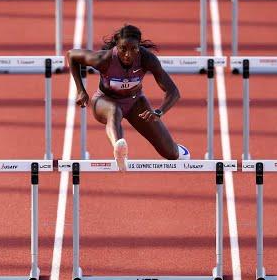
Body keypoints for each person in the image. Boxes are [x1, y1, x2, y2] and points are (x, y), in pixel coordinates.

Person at [67, 24, 190, 171]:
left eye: (133, 49)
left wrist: (159, 112)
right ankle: (119, 152)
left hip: (135, 102)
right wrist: (81, 90)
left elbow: (173, 91)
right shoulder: (104, 59)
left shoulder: (147, 59)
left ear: (139, 47)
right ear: (117, 47)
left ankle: (177, 150)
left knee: (171, 153)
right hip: (104, 101)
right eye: (123, 49)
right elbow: (71, 55)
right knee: (114, 110)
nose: (127, 54)